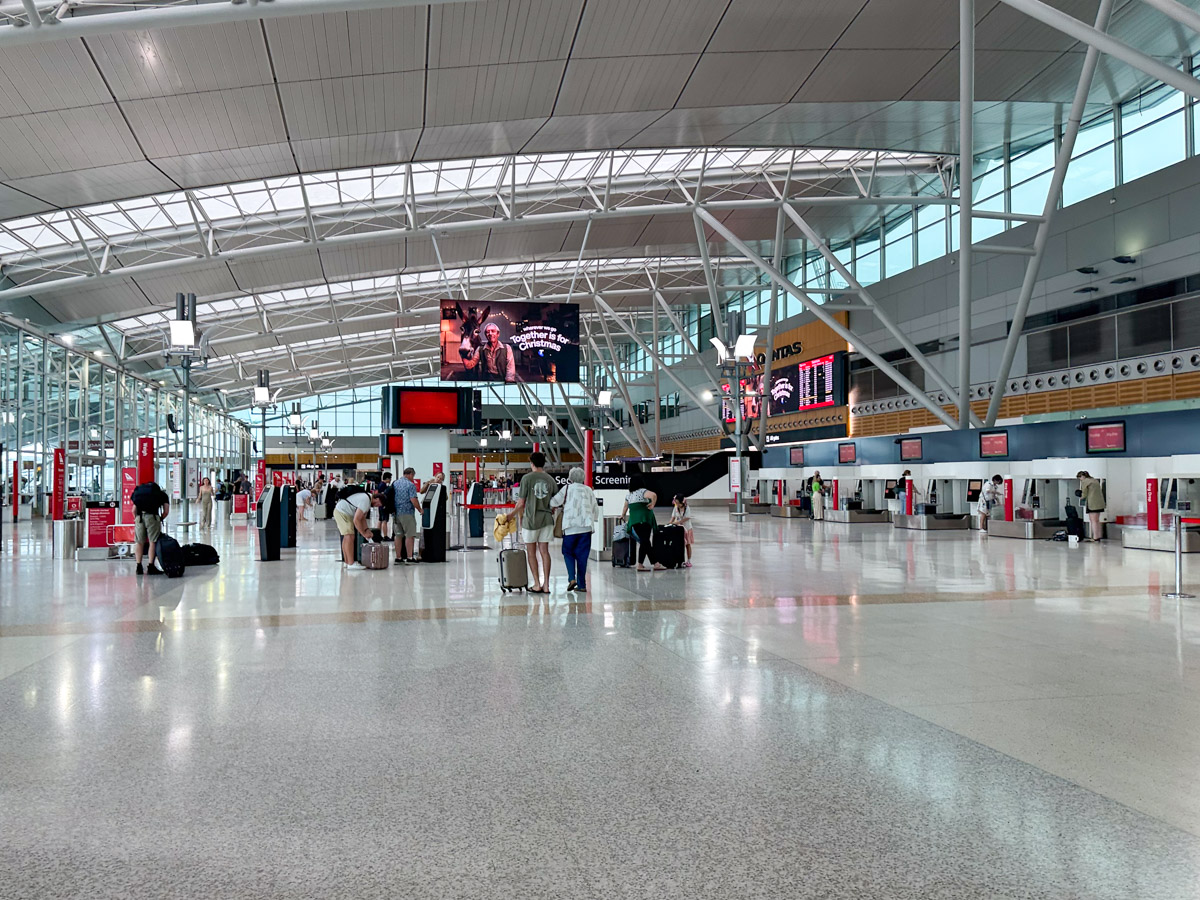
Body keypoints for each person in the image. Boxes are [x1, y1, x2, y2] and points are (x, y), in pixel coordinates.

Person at [505, 452, 557, 592]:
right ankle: (546, 585)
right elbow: (555, 502)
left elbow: (521, 503)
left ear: (531, 463)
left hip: (530, 519)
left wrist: (511, 515)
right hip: (546, 519)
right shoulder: (550, 479)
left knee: (531, 552)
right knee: (545, 552)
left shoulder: (527, 478)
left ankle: (536, 584)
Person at [550, 467, 599, 592]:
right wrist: (593, 519)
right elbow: (595, 508)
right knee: (582, 556)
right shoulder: (588, 490)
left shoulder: (566, 488)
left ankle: (572, 578)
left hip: (570, 527)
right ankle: (582, 585)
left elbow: (554, 502)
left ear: (570, 478)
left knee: (567, 552)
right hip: (586, 528)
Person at [621, 475, 664, 572]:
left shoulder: (629, 495)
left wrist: (622, 515)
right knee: (645, 541)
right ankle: (655, 563)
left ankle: (640, 564)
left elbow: (625, 507)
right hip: (644, 520)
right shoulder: (642, 491)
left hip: (634, 522)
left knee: (644, 541)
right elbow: (654, 495)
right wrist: (653, 504)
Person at [333, 487, 383, 570]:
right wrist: (363, 534)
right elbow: (356, 520)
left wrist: (366, 530)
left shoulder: (367, 498)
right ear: (377, 498)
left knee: (347, 537)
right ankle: (351, 563)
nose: (377, 506)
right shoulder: (366, 500)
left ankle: (347, 561)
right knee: (349, 536)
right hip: (343, 512)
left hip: (342, 512)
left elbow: (362, 518)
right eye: (378, 504)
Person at [131, 480, 169, 576]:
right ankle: (151, 566)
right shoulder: (162, 495)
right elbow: (166, 511)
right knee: (153, 542)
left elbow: (133, 510)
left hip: (139, 517)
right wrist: (160, 519)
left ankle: (139, 567)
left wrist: (136, 519)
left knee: (139, 542)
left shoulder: (139, 494)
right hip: (152, 517)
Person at [392, 467, 423, 565]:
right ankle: (409, 557)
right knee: (410, 535)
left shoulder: (395, 483)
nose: (413, 478)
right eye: (413, 476)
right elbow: (413, 499)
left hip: (396, 513)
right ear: (410, 474)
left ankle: (398, 557)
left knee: (398, 535)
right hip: (407, 513)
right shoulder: (410, 485)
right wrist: (420, 509)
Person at [1076, 471, 1106, 542]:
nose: (1081, 480)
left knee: (1093, 521)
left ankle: (1095, 537)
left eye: (1080, 478)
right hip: (1100, 503)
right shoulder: (1094, 481)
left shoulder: (1085, 482)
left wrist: (1081, 497)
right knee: (1097, 520)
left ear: (1082, 477)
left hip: (1092, 504)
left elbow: (1084, 494)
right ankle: (1098, 536)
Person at [669, 493, 694, 567]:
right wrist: (670, 523)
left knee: (688, 545)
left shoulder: (687, 508)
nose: (676, 504)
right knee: (680, 545)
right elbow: (673, 517)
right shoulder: (676, 508)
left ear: (682, 502)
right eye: (675, 502)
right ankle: (680, 560)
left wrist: (679, 522)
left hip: (687, 528)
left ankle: (689, 560)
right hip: (679, 529)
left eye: (678, 502)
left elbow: (687, 517)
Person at [377, 472, 395, 540]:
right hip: (384, 505)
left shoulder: (380, 484)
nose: (390, 480)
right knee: (384, 520)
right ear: (387, 478)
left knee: (380, 519)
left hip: (380, 505)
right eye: (390, 478)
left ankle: (378, 534)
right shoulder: (383, 486)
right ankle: (385, 536)